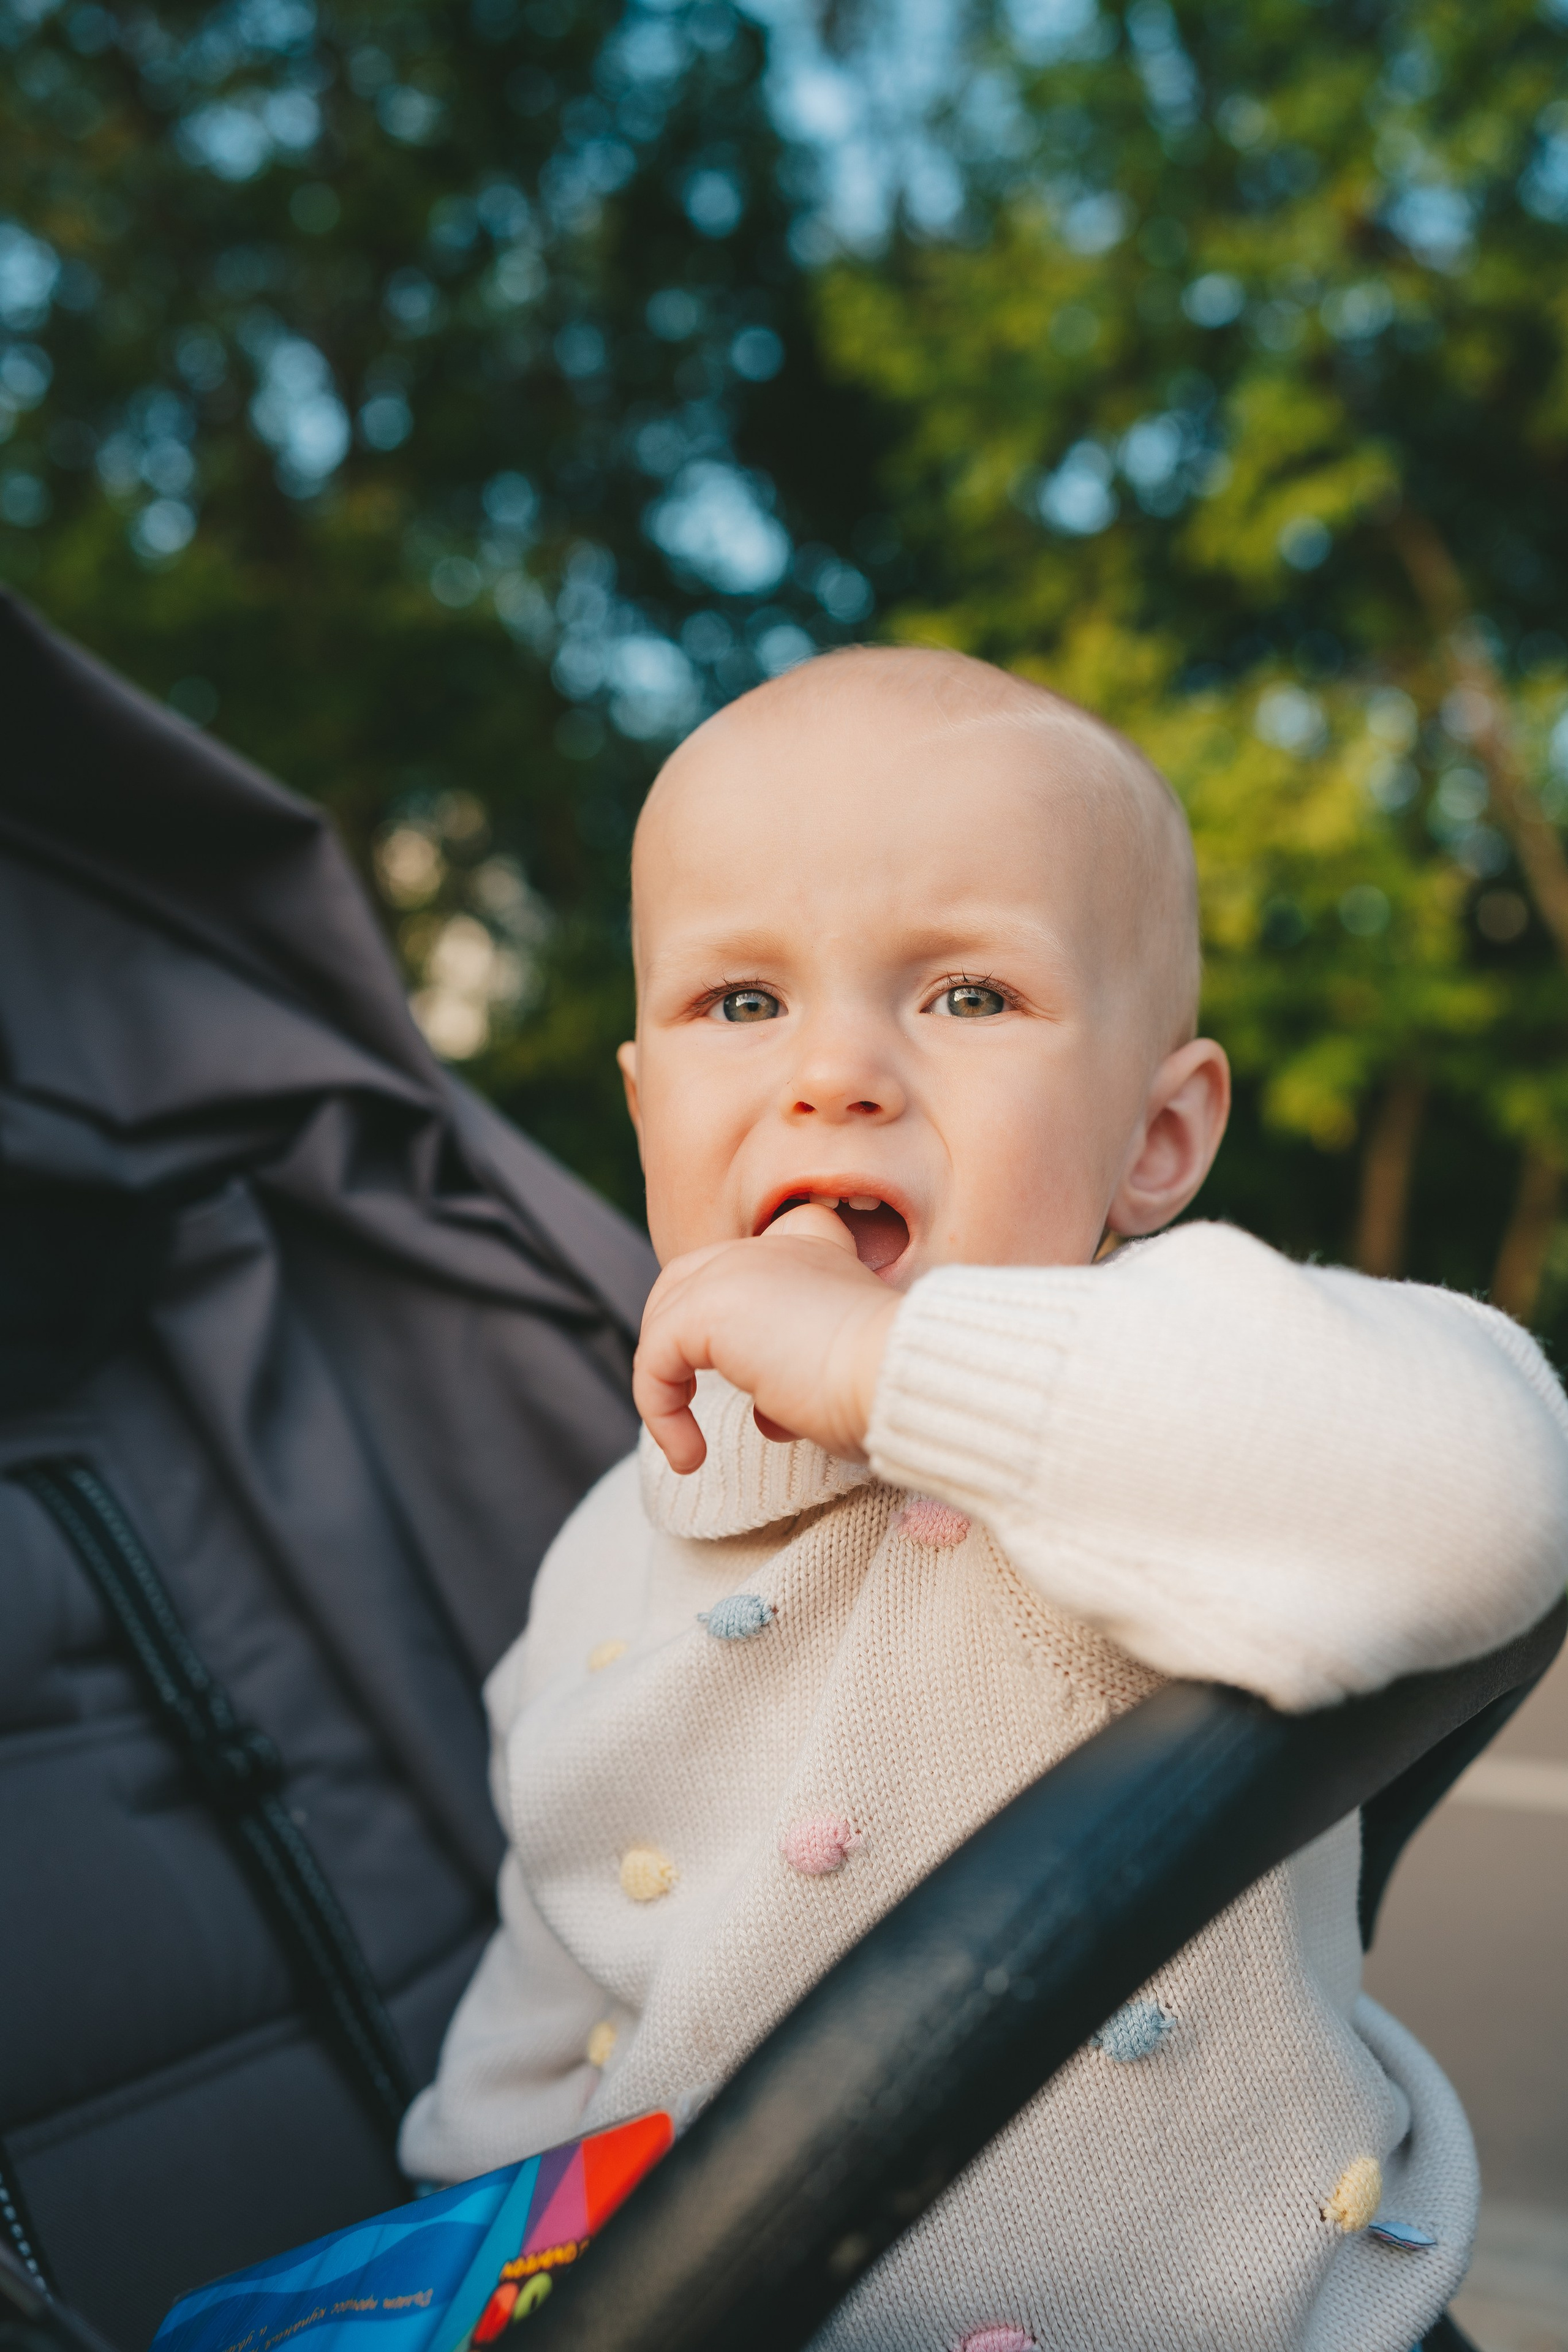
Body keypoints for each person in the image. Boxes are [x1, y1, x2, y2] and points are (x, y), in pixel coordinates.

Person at [398, 646, 1568, 2352]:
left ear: (1155, 1141)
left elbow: (1487, 1485)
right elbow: (548, 2003)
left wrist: (899, 1372)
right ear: (648, 1112)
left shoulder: (1159, 1378)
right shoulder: (606, 1542)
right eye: (743, 1004)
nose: (837, 1074)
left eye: (964, 997)